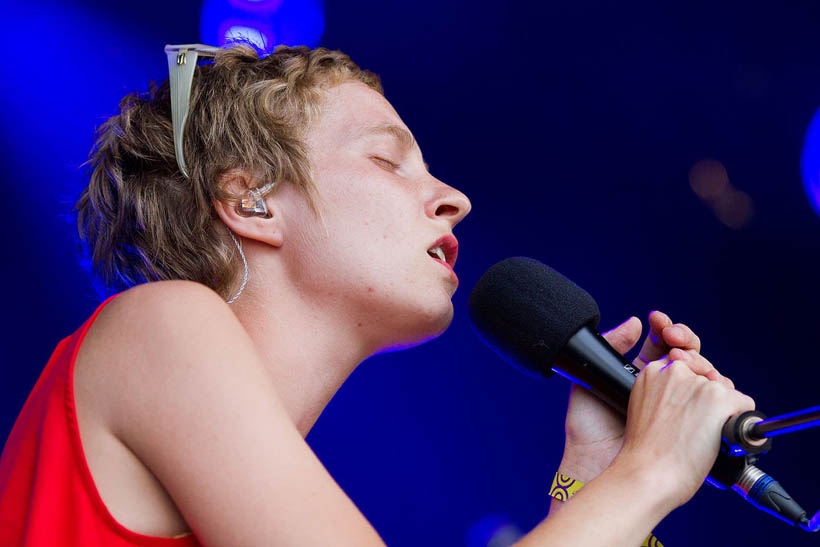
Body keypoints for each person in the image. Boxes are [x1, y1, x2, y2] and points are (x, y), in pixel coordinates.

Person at [0, 42, 755, 546]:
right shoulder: (160, 322)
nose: (453, 197)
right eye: (389, 161)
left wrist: (588, 477)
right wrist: (651, 470)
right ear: (252, 201)